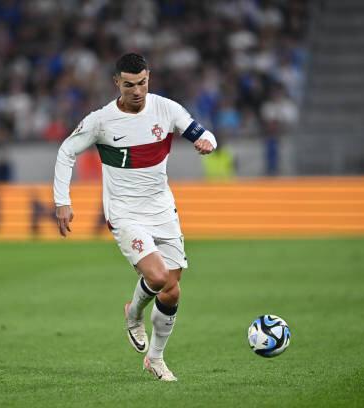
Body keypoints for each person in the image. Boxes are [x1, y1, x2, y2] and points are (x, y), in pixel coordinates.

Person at [53, 53, 216, 382]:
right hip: (125, 212)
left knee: (172, 291)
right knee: (157, 278)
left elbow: (202, 132)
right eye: (129, 85)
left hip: (161, 208)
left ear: (148, 78)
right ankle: (134, 314)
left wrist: (206, 141)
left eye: (142, 82)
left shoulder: (166, 109)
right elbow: (66, 151)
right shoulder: (101, 121)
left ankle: (155, 359)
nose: (137, 91)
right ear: (117, 83)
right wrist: (62, 201)